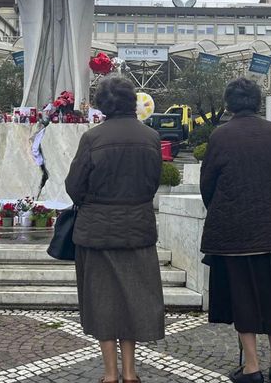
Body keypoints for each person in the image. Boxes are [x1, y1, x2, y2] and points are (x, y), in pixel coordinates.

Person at [65, 76, 164, 383]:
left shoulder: (93, 138)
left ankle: (110, 374)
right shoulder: (151, 137)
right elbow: (153, 182)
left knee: (102, 301)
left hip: (97, 231)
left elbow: (74, 186)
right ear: (131, 101)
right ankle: (131, 372)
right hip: (137, 229)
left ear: (102, 105)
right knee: (133, 299)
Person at [200, 78, 271, 383]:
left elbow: (207, 186)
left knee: (242, 299)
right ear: (256, 101)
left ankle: (252, 367)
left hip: (236, 234)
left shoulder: (220, 136)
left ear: (229, 104)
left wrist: (224, 208)